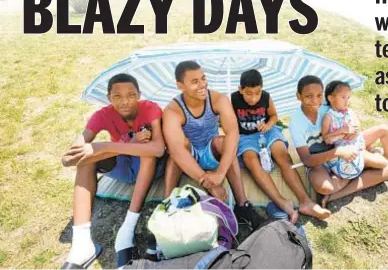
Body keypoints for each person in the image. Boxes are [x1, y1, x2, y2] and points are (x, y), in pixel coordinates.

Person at [60, 73, 167, 269]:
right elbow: (68, 159)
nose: (125, 102)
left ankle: (128, 228)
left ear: (139, 95)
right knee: (85, 161)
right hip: (123, 167)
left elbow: (159, 149)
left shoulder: (150, 109)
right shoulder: (102, 115)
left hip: (150, 167)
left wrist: (107, 147)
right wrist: (113, 146)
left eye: (131, 95)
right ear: (109, 97)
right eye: (117, 96)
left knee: (147, 151)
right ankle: (82, 244)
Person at [162, 61, 264, 231]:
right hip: (189, 156)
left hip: (211, 150)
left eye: (203, 78)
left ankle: (242, 205)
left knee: (225, 143)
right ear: (180, 86)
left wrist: (220, 174)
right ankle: (167, 204)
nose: (202, 84)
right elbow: (177, 151)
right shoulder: (173, 110)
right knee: (176, 153)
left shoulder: (218, 99)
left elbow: (233, 133)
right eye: (194, 82)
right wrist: (210, 183)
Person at [231, 69, 330, 223]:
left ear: (262, 89)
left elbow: (274, 116)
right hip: (245, 137)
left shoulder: (266, 97)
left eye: (257, 92)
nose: (254, 98)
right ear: (240, 89)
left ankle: (306, 202)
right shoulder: (233, 99)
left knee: (282, 155)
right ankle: (282, 202)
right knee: (250, 160)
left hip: (268, 132)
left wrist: (269, 124)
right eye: (248, 93)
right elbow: (228, 124)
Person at [288, 75, 388, 209]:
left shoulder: (327, 106)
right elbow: (307, 160)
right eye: (308, 96)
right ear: (298, 96)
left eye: (319, 95)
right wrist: (338, 152)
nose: (315, 101)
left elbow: (351, 121)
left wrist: (354, 131)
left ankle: (343, 184)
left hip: (347, 144)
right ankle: (354, 172)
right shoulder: (296, 123)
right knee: (325, 187)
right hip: (320, 160)